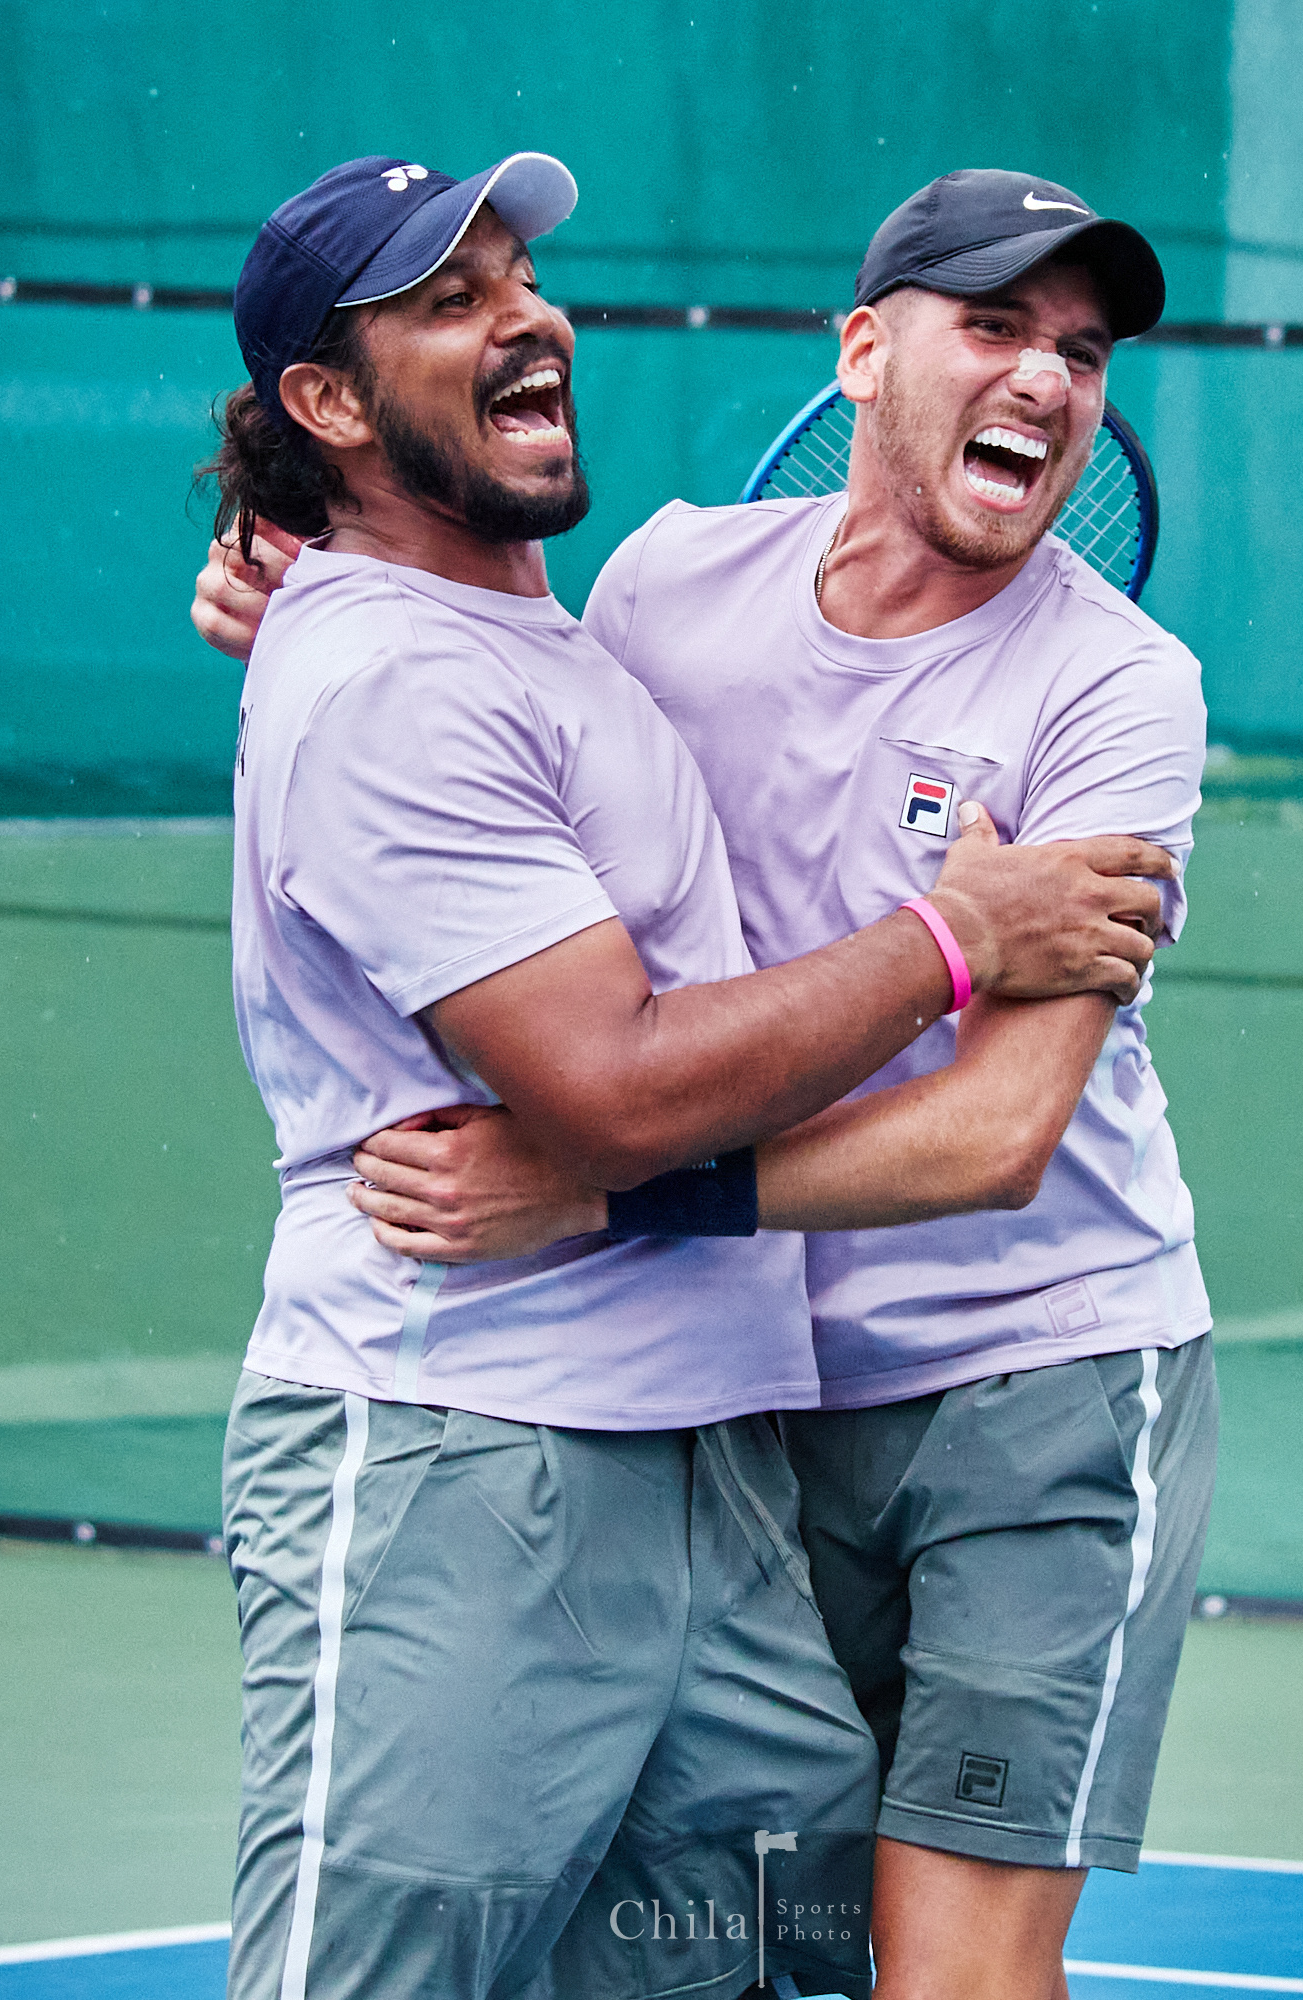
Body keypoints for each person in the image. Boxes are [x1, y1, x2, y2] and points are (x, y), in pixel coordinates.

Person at [200, 149, 1173, 2000]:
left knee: (783, 1973)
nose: (524, 314)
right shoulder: (483, 650)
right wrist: (959, 940)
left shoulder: (569, 621)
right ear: (865, 353)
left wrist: (287, 560)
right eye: (448, 299)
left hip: (750, 1440)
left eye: (519, 281)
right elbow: (618, 1084)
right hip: (469, 1444)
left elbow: (994, 1130)